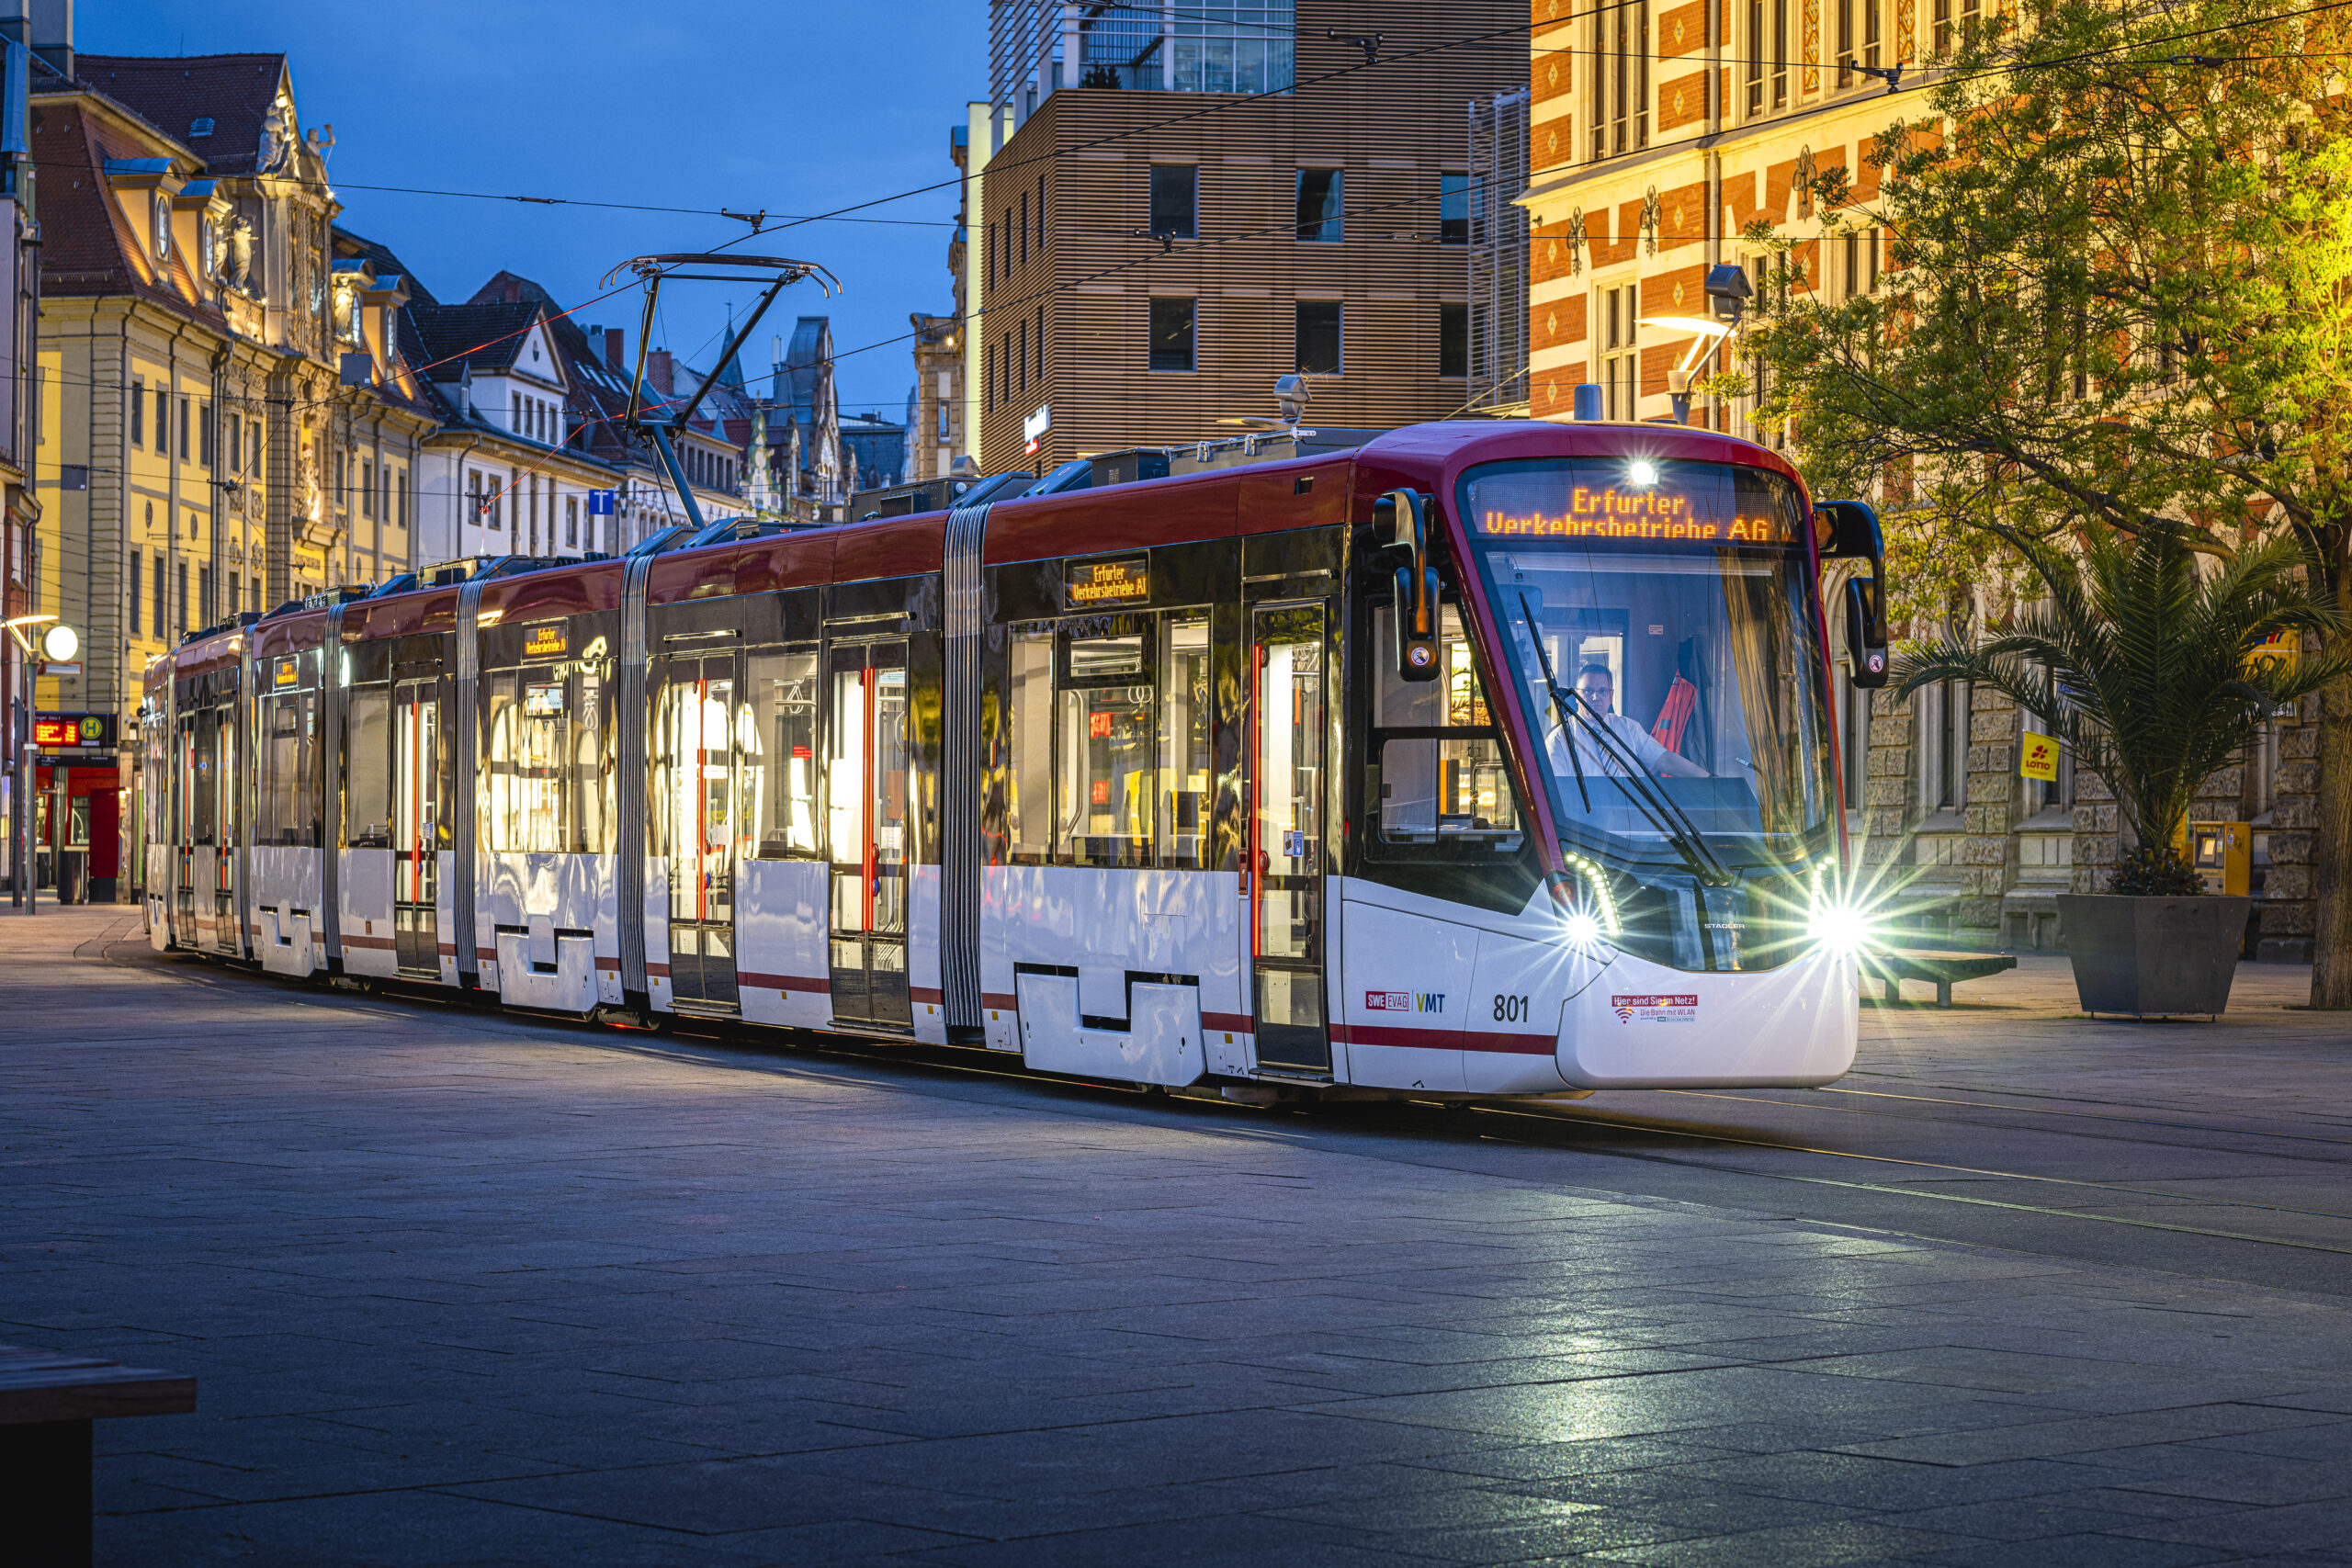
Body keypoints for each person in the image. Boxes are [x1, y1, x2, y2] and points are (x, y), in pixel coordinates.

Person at [1546, 662, 1709, 780]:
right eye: (1588, 691)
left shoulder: (1629, 728)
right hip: (1587, 823)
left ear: (1611, 694)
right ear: (1576, 695)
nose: (1596, 697)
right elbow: (1558, 792)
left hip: (1634, 819)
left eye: (1603, 691)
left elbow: (1664, 759)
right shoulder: (1559, 740)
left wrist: (1710, 780)